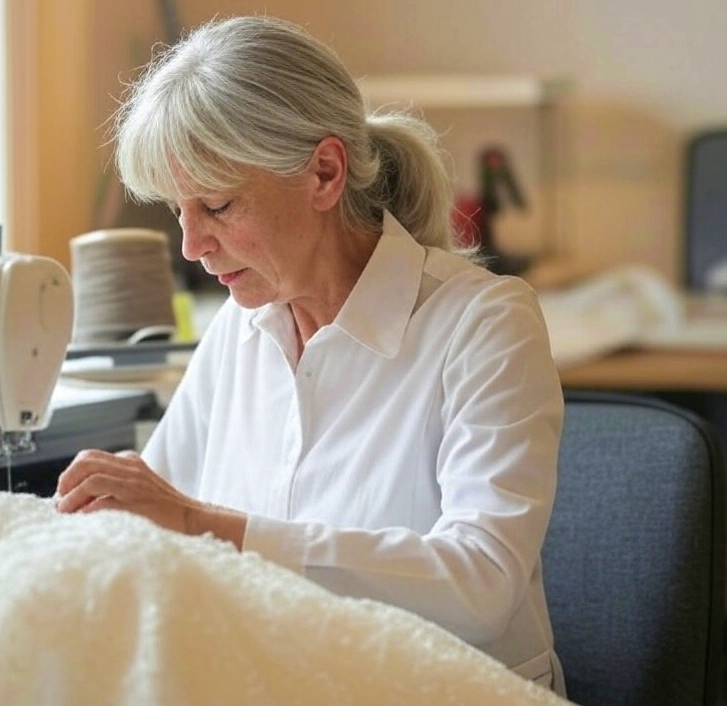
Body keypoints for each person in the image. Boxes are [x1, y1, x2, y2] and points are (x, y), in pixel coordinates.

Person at [55, 14, 566, 695]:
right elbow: (155, 530)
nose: (191, 246)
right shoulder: (239, 332)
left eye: (217, 205)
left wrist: (206, 525)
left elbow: (480, 583)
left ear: (325, 172)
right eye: (180, 212)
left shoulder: (483, 324)